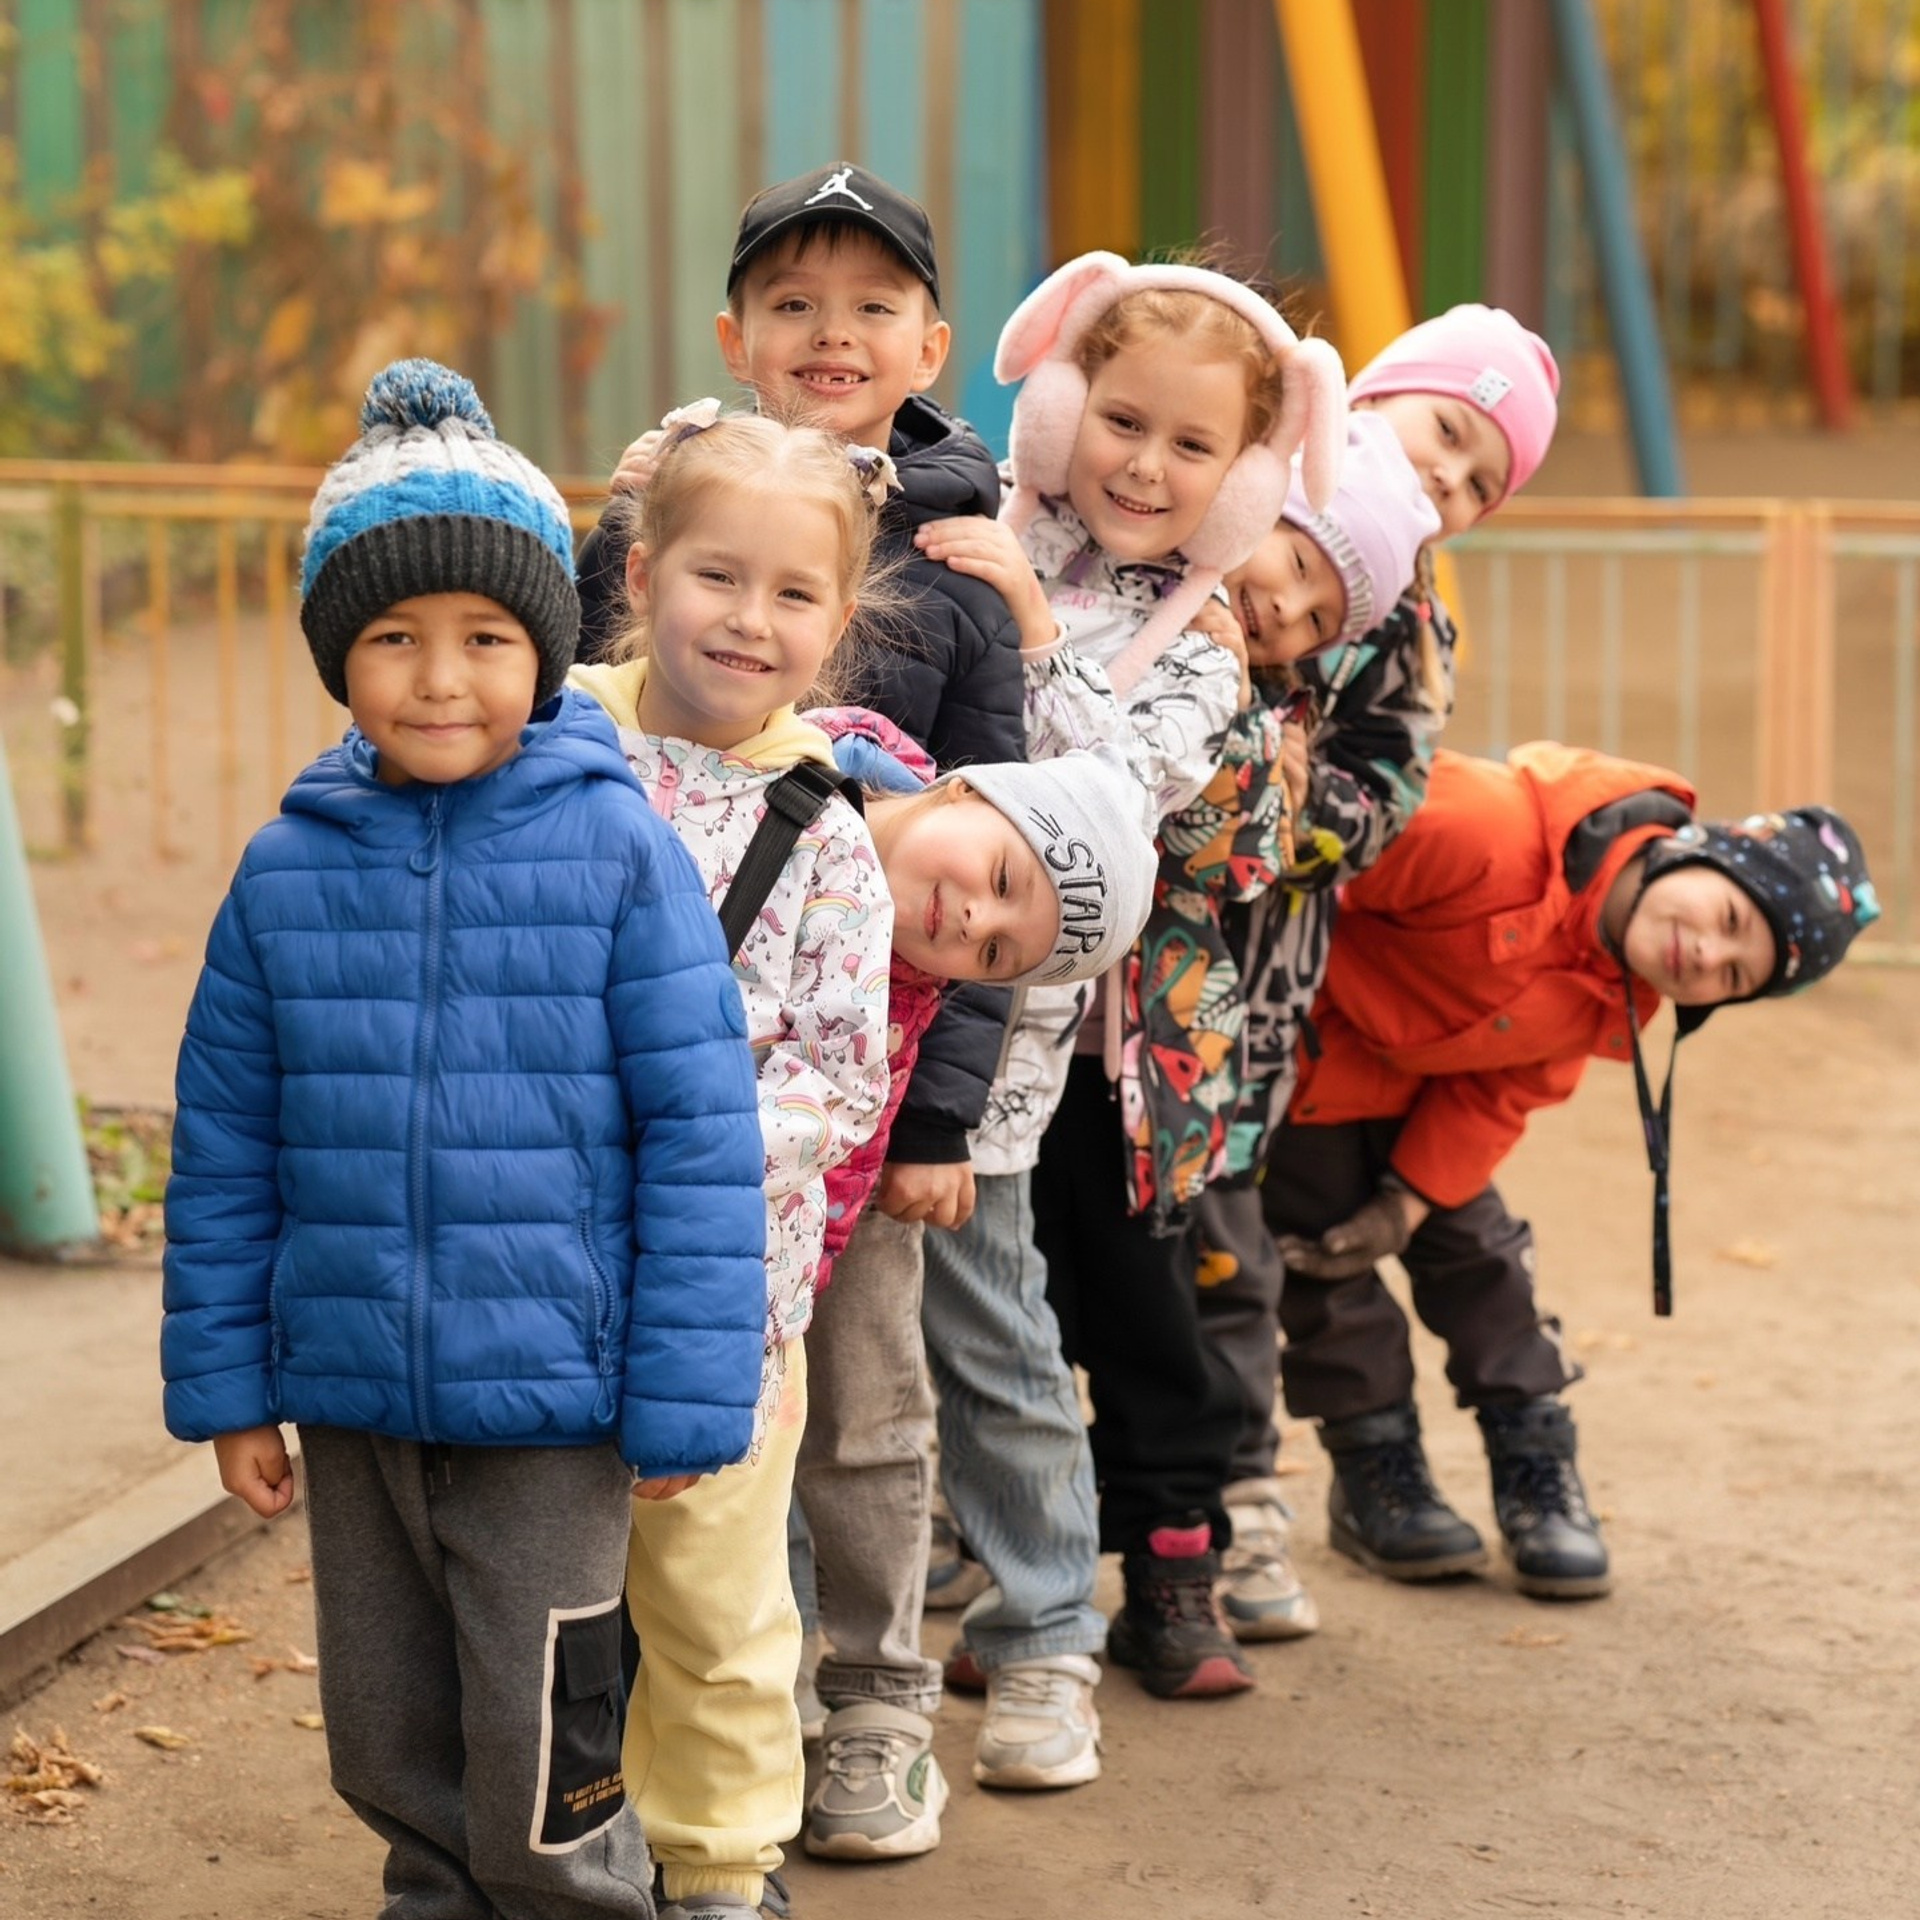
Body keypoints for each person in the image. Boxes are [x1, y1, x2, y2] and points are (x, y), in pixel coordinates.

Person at [159, 360, 768, 1920]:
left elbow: (700, 1131)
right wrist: (233, 1392)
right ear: (337, 659)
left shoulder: (618, 847)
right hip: (358, 1395)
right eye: (394, 640)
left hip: (558, 1400)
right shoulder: (284, 873)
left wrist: (689, 1395)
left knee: (545, 1723)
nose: (442, 679)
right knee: (389, 1726)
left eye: (487, 638)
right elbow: (229, 1146)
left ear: (546, 652)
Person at [573, 166, 1029, 1860]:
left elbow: (1002, 860)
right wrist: (589, 535)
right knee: (640, 1481)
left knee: (860, 1414)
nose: (830, 334)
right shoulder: (639, 566)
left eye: (867, 307)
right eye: (791, 304)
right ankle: (610, 1768)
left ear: (929, 340)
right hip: (597, 1159)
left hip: (843, 1107)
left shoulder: (967, 571)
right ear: (735, 337)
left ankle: (866, 1707)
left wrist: (938, 1114)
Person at [912, 249, 1347, 1720]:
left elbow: (1105, 790)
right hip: (880, 997)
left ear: (1245, 480)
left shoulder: (1207, 644)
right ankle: (910, 1614)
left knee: (1037, 1324)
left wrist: (1028, 629)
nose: (1147, 465)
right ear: (1056, 405)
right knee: (872, 1345)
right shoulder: (971, 522)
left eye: (1194, 444)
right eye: (1122, 420)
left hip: (1047, 1047)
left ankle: (1083, 1608)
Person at [1266, 743, 1879, 1600]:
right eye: (1731, 921)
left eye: (1737, 976)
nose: (1707, 956)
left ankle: (1535, 1465)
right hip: (1301, 1068)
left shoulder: (1617, 988)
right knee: (1330, 1270)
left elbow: (1502, 1090)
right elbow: (1291, 883)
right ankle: (1376, 1470)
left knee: (1483, 1260)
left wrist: (1410, 1202)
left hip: (1421, 1089)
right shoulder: (1484, 828)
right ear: (1696, 851)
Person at [569, 407, 897, 1920]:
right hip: (533, 1263)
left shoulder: (830, 828)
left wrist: (678, 1125)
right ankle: (542, 1839)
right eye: (717, 575)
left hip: (721, 1287)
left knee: (713, 1595)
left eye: (793, 593)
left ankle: (716, 1864)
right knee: (545, 1588)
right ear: (641, 573)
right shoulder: (544, 745)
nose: (749, 620)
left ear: (840, 619)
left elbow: (838, 1075)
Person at [1195, 304, 1562, 1642]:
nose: (1455, 484)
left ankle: (1234, 1514)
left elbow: (1366, 810)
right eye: (1449, 436)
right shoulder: (1201, 491)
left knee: (1224, 1269)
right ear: (1367, 398)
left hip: (1236, 1007)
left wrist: (1249, 758)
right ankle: (971, 1521)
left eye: (1482, 485)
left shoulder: (1405, 631)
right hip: (1066, 972)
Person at [791, 708, 1155, 1858]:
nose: (972, 919)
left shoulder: (916, 988)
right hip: (674, 1199)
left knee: (866, 1422)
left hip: (835, 1218)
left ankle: (877, 1700)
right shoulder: (780, 772)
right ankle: (751, 1705)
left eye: (999, 949)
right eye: (999, 875)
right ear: (959, 792)